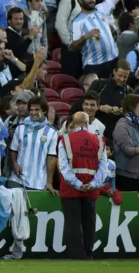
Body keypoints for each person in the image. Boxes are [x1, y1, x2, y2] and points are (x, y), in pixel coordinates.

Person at [58, 111, 107, 259]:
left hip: (70, 188)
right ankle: (88, 253)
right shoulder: (100, 140)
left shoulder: (64, 140)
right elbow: (103, 168)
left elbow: (64, 167)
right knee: (89, 222)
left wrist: (77, 183)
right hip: (91, 189)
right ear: (87, 123)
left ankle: (76, 256)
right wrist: (92, 184)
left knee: (73, 223)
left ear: (73, 123)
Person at [70, 0, 121, 77]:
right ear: (80, 1)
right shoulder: (77, 22)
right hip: (94, 65)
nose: (92, 0)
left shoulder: (101, 9)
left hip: (113, 59)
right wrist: (86, 36)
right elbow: (72, 47)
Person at [8, 96, 58, 194]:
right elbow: (13, 150)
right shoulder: (21, 128)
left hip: (39, 183)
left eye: (36, 109)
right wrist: (14, 164)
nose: (33, 113)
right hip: (17, 180)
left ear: (44, 111)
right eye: (31, 109)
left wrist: (49, 182)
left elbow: (51, 158)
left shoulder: (52, 132)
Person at [112, 94, 139, 191]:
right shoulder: (122, 125)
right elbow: (128, 150)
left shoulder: (137, 124)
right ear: (132, 107)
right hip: (126, 177)